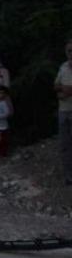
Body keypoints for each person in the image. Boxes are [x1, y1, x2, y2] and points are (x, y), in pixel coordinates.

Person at [57, 40, 72, 185]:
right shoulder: (63, 67)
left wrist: (67, 90)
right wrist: (62, 91)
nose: (71, 54)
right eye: (69, 51)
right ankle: (68, 175)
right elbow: (56, 85)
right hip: (63, 109)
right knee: (65, 144)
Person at [0, 85, 13, 158]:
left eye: (1, 93)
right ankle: (0, 153)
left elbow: (7, 113)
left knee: (4, 140)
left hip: (3, 126)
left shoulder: (4, 103)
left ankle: (4, 154)